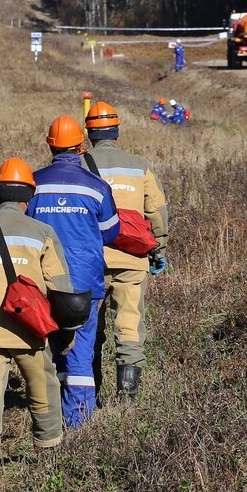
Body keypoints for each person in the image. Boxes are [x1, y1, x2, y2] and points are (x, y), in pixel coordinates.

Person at [0, 157, 90, 492]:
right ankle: (50, 453)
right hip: (29, 330)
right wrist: (63, 330)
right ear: (28, 196)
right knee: (43, 387)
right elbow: (61, 287)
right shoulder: (41, 232)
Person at [28, 116, 120, 428]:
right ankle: (79, 425)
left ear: (49, 145)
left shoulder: (33, 184)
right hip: (85, 286)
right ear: (81, 146)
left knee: (50, 352)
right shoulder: (96, 187)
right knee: (81, 354)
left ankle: (49, 419)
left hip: (42, 287)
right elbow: (110, 232)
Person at [84, 101, 169, 401]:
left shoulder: (80, 166)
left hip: (90, 261)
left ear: (88, 132)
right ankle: (127, 398)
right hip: (132, 261)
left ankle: (88, 395)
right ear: (117, 130)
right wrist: (159, 249)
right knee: (130, 324)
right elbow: (157, 213)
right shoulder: (139, 165)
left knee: (88, 329)